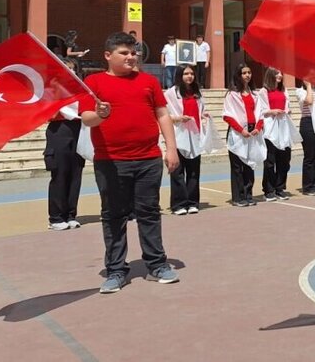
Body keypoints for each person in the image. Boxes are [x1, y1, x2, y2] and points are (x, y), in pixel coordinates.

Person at [79, 31, 180, 294]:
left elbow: (162, 114)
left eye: (133, 52)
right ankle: (115, 270)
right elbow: (87, 118)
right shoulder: (94, 82)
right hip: (111, 161)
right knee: (113, 216)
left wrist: (171, 149)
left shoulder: (148, 82)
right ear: (108, 55)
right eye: (124, 53)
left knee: (149, 212)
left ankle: (157, 264)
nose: (130, 57)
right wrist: (100, 115)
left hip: (148, 159)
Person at [165, 65, 220, 215]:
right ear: (179, 75)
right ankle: (178, 204)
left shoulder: (197, 93)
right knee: (177, 171)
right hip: (179, 135)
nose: (189, 76)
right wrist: (178, 118)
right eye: (186, 74)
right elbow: (164, 115)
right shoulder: (171, 93)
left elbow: (201, 110)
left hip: (195, 135)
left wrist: (204, 115)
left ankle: (193, 202)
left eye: (191, 73)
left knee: (194, 171)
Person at [45, 63, 86, 231]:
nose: (70, 72)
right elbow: (48, 111)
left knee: (75, 174)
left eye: (72, 69)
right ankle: (56, 217)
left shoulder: (82, 90)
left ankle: (70, 215)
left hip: (78, 130)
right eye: (66, 69)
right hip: (59, 130)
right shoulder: (51, 90)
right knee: (60, 174)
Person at [222, 63, 266, 206]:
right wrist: (241, 130)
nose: (247, 75)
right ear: (238, 75)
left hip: (252, 132)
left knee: (250, 164)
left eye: (249, 72)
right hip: (238, 132)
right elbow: (227, 115)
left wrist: (258, 128)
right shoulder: (232, 94)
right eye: (244, 73)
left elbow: (260, 113)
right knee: (237, 166)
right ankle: (238, 197)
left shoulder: (255, 94)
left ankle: (248, 194)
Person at [261, 67, 297, 201]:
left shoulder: (284, 90)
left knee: (284, 159)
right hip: (271, 127)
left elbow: (288, 106)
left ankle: (280, 187)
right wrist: (272, 111)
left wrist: (287, 111)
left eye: (281, 73)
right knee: (270, 160)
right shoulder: (264, 91)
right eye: (277, 73)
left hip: (284, 126)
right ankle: (269, 189)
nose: (280, 75)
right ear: (270, 75)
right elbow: (261, 110)